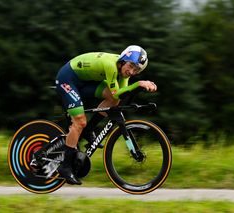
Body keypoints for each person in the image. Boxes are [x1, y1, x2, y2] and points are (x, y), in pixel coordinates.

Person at [50, 45, 157, 185]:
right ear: (124, 60)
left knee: (115, 100)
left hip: (83, 82)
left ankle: (89, 130)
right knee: (80, 122)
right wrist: (138, 84)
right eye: (131, 66)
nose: (131, 71)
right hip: (67, 79)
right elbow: (119, 91)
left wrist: (136, 89)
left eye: (136, 70)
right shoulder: (111, 65)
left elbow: (119, 95)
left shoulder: (122, 72)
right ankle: (65, 166)